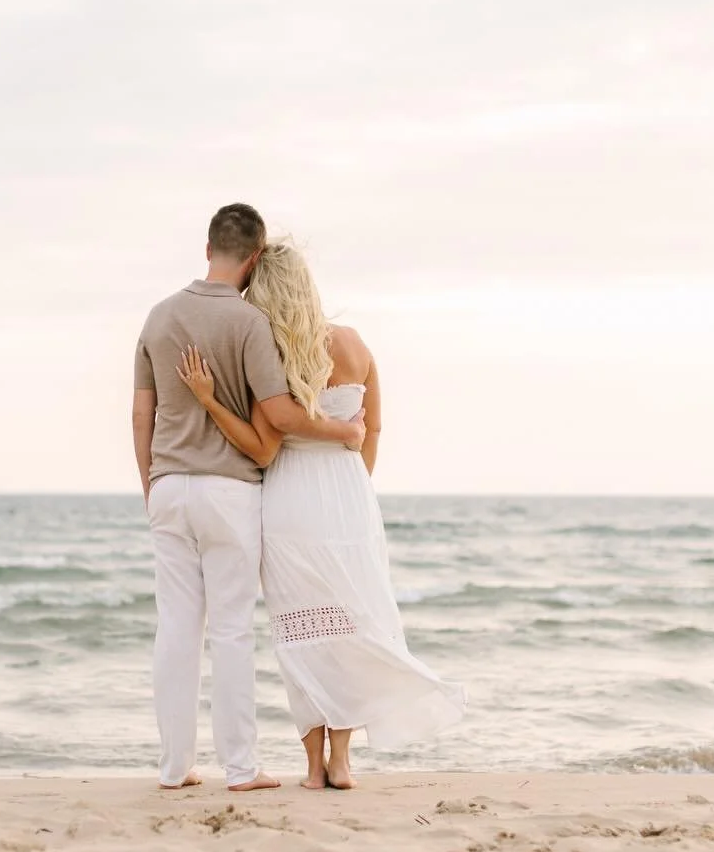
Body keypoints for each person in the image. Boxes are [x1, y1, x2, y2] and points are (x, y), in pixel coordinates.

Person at [177, 238, 465, 790]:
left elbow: (266, 439)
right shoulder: (355, 344)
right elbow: (371, 429)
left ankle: (312, 768)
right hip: (349, 495)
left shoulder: (270, 351)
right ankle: (342, 762)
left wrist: (212, 402)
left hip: (289, 497)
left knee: (300, 632)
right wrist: (354, 485)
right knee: (349, 623)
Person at [133, 204, 366, 792]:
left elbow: (142, 413)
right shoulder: (250, 324)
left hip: (167, 487)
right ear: (255, 256)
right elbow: (278, 414)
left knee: (176, 628)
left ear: (207, 247)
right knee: (232, 630)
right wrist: (343, 432)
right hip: (230, 490)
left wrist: (151, 484)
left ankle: (174, 767)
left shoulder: (158, 317)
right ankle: (240, 769)